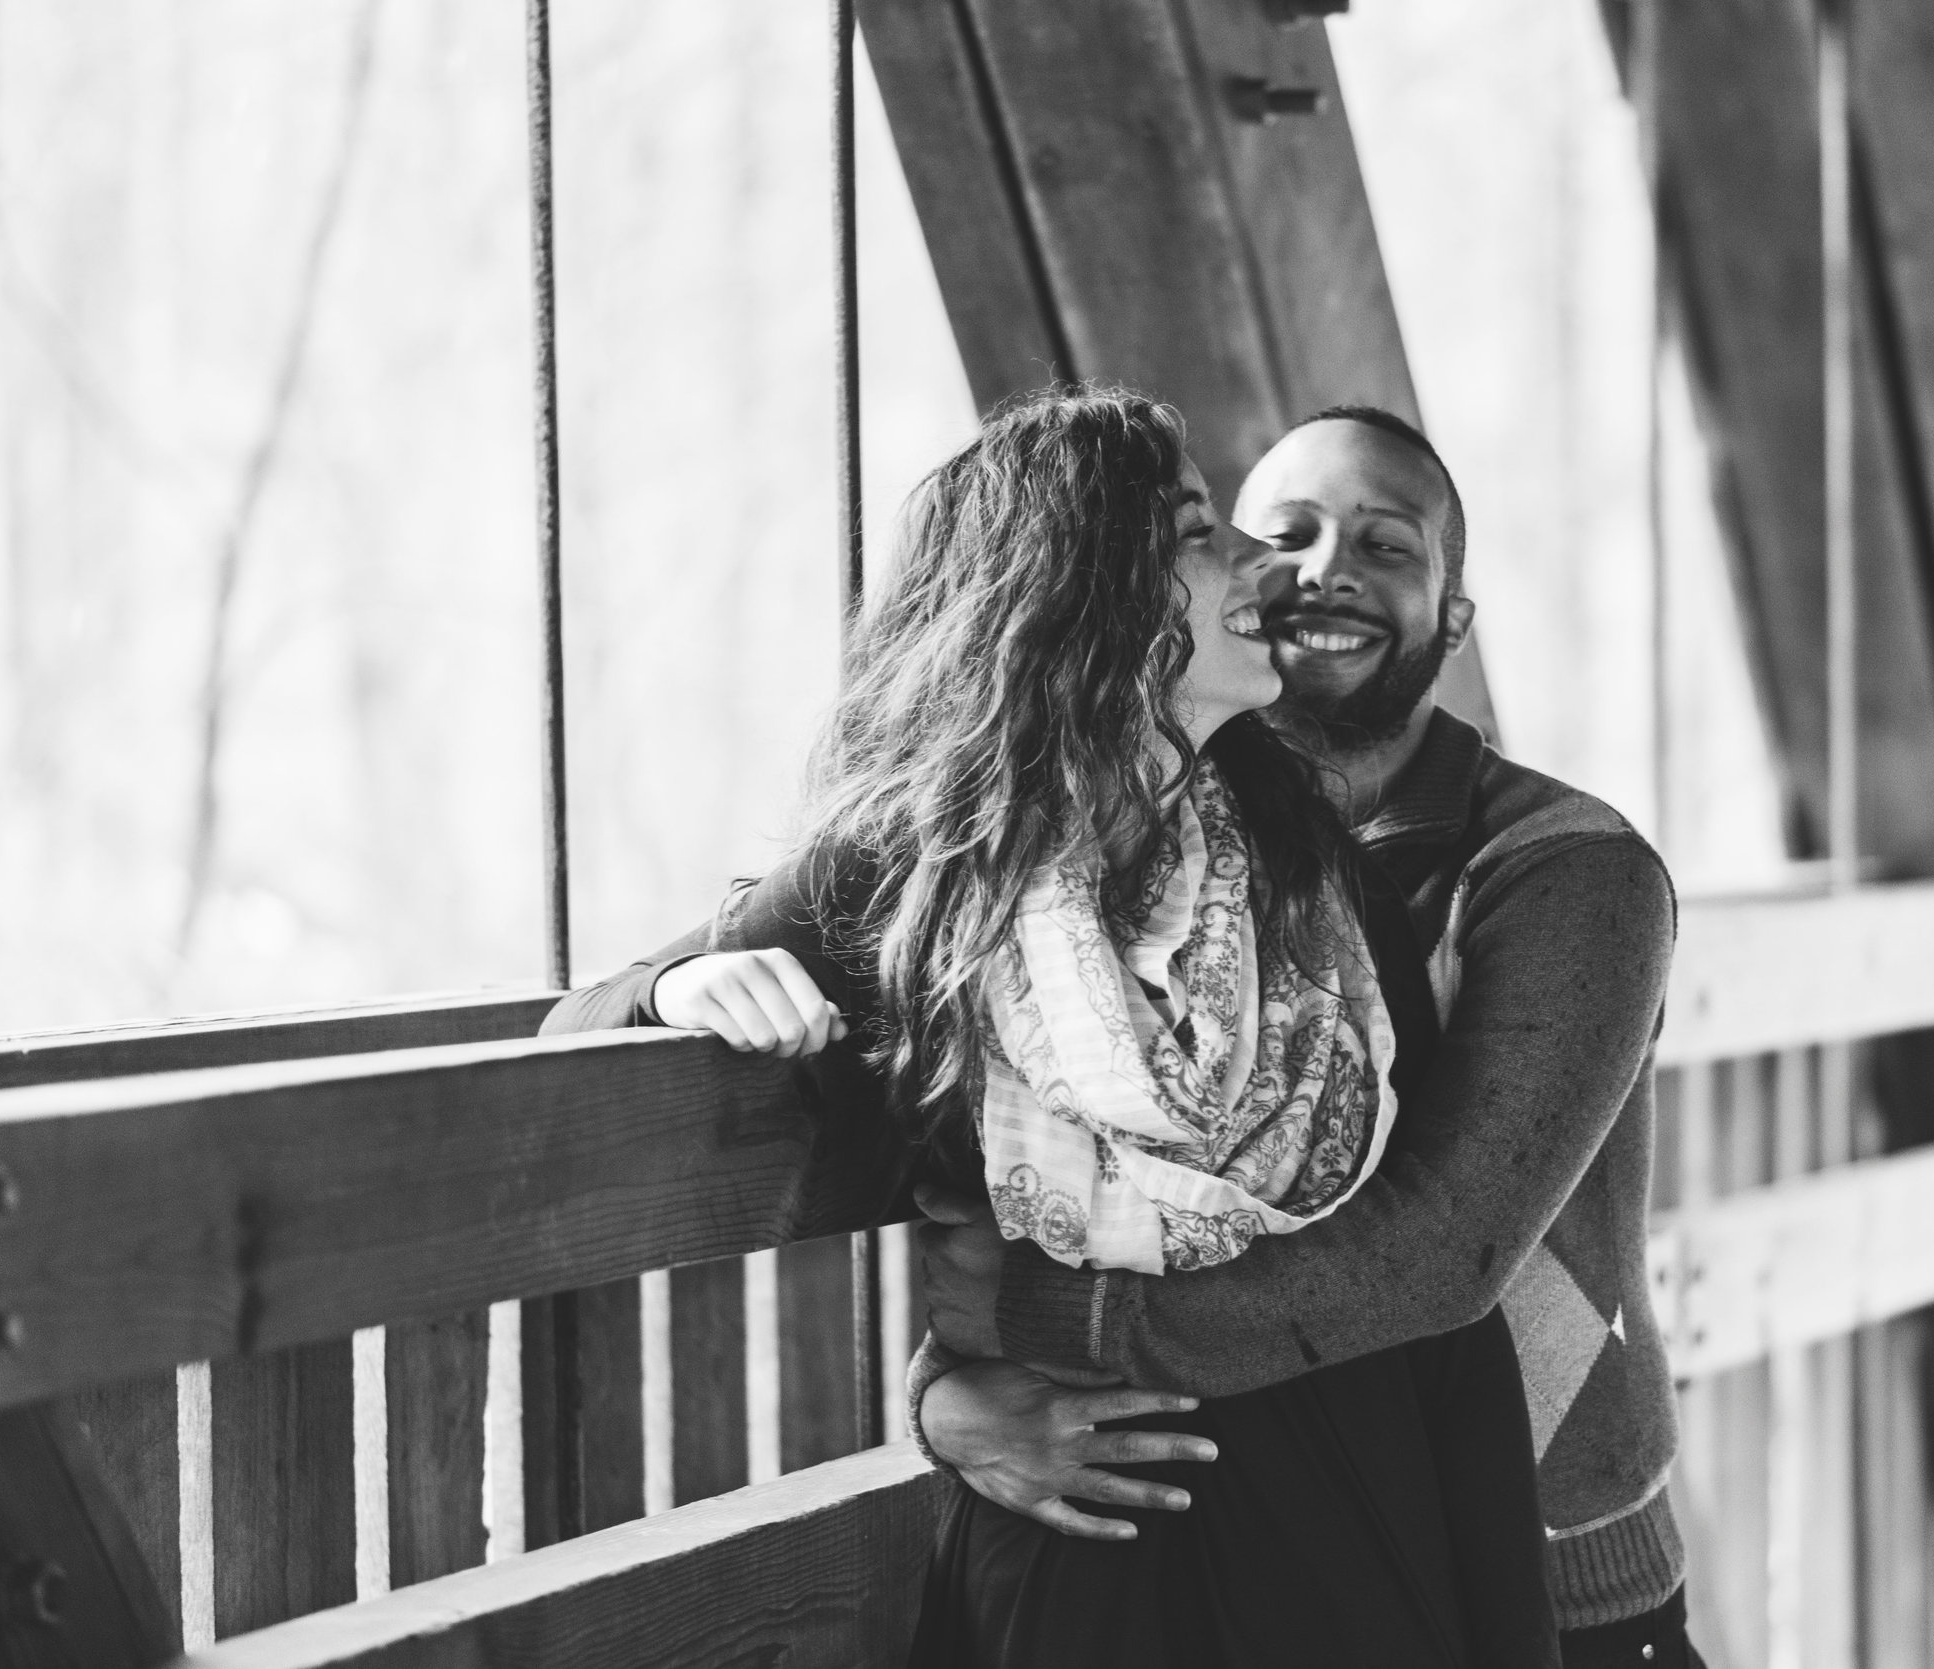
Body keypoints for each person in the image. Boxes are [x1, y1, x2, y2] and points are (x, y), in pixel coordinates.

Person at [539, 388, 1560, 1668]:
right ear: (1085, 591)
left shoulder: (1310, 875)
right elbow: (570, 1034)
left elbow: (1446, 1308)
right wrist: (671, 993)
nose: (1260, 563)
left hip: (1355, 1538)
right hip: (1093, 1570)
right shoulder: (921, 875)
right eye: (1199, 532)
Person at [909, 407, 1698, 1668]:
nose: (1326, 569)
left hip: (1548, 1550)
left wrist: (1045, 1322)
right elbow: (1069, 1167)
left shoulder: (1572, 873)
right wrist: (944, 1399)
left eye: (1387, 547)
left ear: (1454, 618)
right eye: (1282, 533)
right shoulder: (1142, 854)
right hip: (1264, 1534)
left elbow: (1437, 1254)